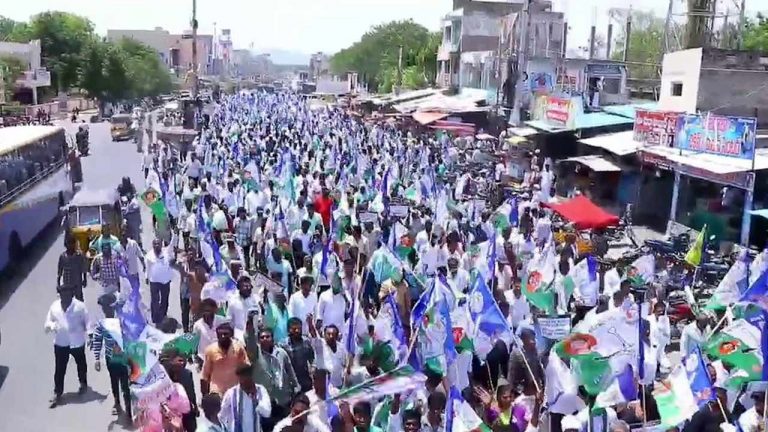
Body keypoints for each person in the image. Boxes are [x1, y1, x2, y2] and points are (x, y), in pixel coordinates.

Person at [245, 324, 299, 430]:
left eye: (267, 336)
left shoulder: (281, 353)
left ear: (272, 338)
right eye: (262, 337)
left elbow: (290, 372)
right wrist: (250, 324)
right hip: (265, 402)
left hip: (283, 400)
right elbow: (249, 341)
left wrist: (296, 389)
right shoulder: (256, 355)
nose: (265, 339)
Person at [44, 284, 89, 408]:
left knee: (81, 363)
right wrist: (53, 326)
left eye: (67, 294)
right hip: (61, 342)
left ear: (71, 294)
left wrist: (90, 335)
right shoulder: (54, 307)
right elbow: (47, 323)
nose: (64, 297)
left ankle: (83, 383)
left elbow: (88, 322)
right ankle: (57, 393)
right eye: (62, 294)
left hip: (77, 342)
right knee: (59, 369)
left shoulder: (80, 307)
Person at [92, 318, 132, 423]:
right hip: (111, 359)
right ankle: (116, 402)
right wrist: (97, 358)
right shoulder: (101, 323)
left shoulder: (123, 319)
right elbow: (97, 339)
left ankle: (129, 412)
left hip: (124, 358)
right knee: (114, 382)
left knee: (126, 386)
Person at [201, 321, 250, 396]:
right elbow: (205, 375)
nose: (223, 336)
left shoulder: (238, 348)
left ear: (231, 334)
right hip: (216, 392)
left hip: (235, 391)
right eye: (220, 334)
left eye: (225, 334)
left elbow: (246, 368)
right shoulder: (210, 350)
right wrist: (205, 396)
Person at [220, 363, 272, 432]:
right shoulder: (231, 393)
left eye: (246, 380)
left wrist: (255, 399)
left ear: (251, 377)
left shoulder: (260, 390)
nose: (243, 383)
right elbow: (221, 416)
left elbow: (267, 413)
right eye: (241, 380)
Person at [146, 234, 177, 325]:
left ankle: (163, 316)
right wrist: (146, 277)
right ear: (152, 245)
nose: (156, 245)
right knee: (155, 300)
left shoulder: (166, 251)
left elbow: (172, 244)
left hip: (165, 281)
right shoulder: (149, 256)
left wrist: (175, 234)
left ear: (161, 244)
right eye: (155, 244)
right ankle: (155, 318)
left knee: (165, 299)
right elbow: (147, 268)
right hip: (154, 281)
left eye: (158, 244)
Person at [281, 317, 315, 393]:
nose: (297, 331)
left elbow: (312, 359)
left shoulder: (306, 342)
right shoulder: (283, 345)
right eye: (294, 329)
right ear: (288, 330)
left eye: (299, 328)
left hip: (305, 380)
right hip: (291, 382)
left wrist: (313, 369)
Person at [90, 242, 122, 318]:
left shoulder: (115, 256)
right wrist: (94, 276)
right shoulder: (98, 258)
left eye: (108, 250)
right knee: (107, 309)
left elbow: (122, 265)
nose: (107, 252)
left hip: (116, 285)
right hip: (105, 286)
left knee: (118, 307)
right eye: (105, 250)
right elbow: (92, 268)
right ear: (102, 250)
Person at [57, 235, 88, 301]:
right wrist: (58, 283)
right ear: (66, 245)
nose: (71, 245)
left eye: (72, 243)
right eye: (69, 243)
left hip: (77, 282)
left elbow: (84, 268)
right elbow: (60, 271)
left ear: (75, 244)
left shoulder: (79, 255)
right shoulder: (62, 256)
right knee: (68, 299)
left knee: (79, 299)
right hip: (67, 282)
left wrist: (85, 279)